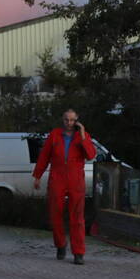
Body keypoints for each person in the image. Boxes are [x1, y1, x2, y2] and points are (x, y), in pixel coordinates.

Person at [32, 109, 96, 265]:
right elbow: (44, 156)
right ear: (63, 119)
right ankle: (60, 244)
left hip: (75, 180)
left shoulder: (82, 136)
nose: (69, 123)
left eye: (72, 120)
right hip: (57, 178)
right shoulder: (54, 135)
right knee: (56, 214)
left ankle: (78, 253)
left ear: (77, 121)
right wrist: (37, 176)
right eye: (67, 120)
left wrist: (82, 135)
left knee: (77, 217)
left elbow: (91, 155)